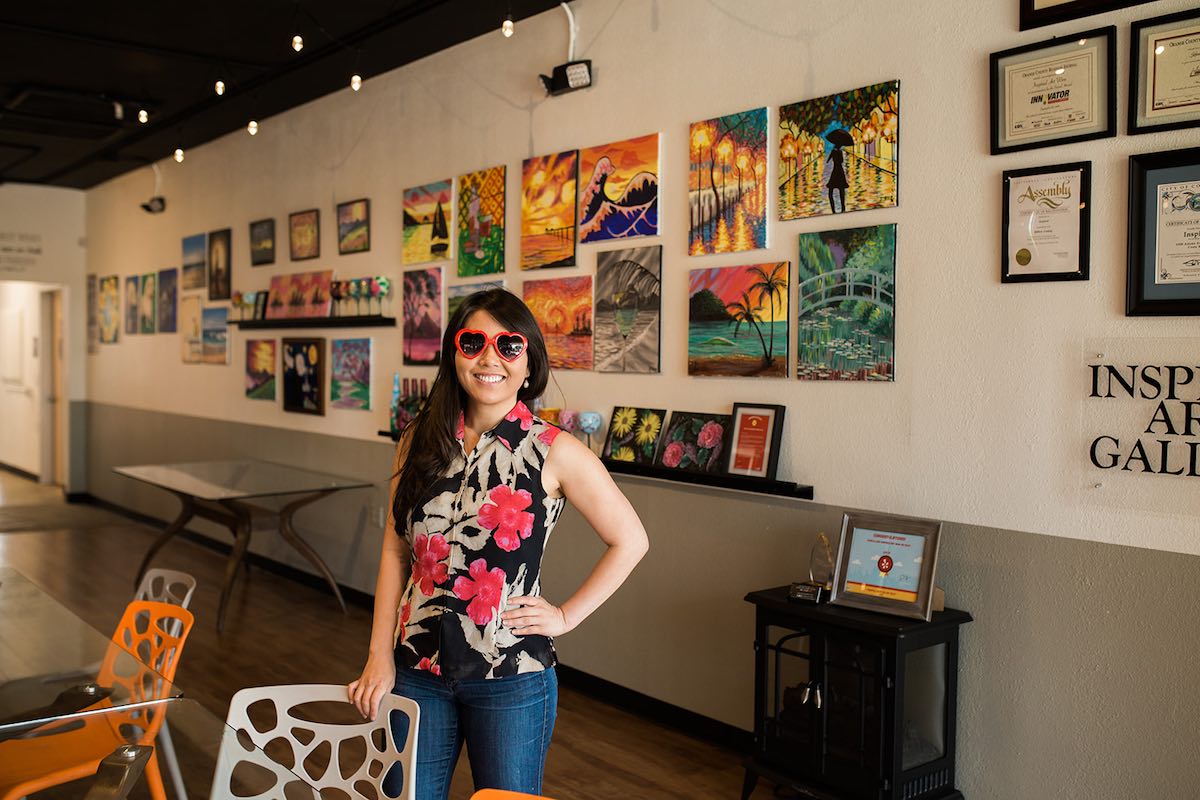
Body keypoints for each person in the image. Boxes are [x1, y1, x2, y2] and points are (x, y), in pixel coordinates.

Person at [349, 289, 649, 800]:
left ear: (528, 362)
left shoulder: (556, 451)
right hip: (415, 669)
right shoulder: (419, 438)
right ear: (454, 354)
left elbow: (631, 540)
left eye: (509, 345)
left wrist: (565, 617)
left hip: (510, 675)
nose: (490, 358)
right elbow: (396, 550)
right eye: (473, 342)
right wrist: (378, 655)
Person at [826, 143, 848, 214]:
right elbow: (841, 161)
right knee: (841, 190)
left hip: (835, 171)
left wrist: (832, 155)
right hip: (840, 171)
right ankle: (843, 208)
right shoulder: (839, 151)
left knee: (831, 191)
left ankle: (833, 210)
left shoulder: (833, 151)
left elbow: (828, 160)